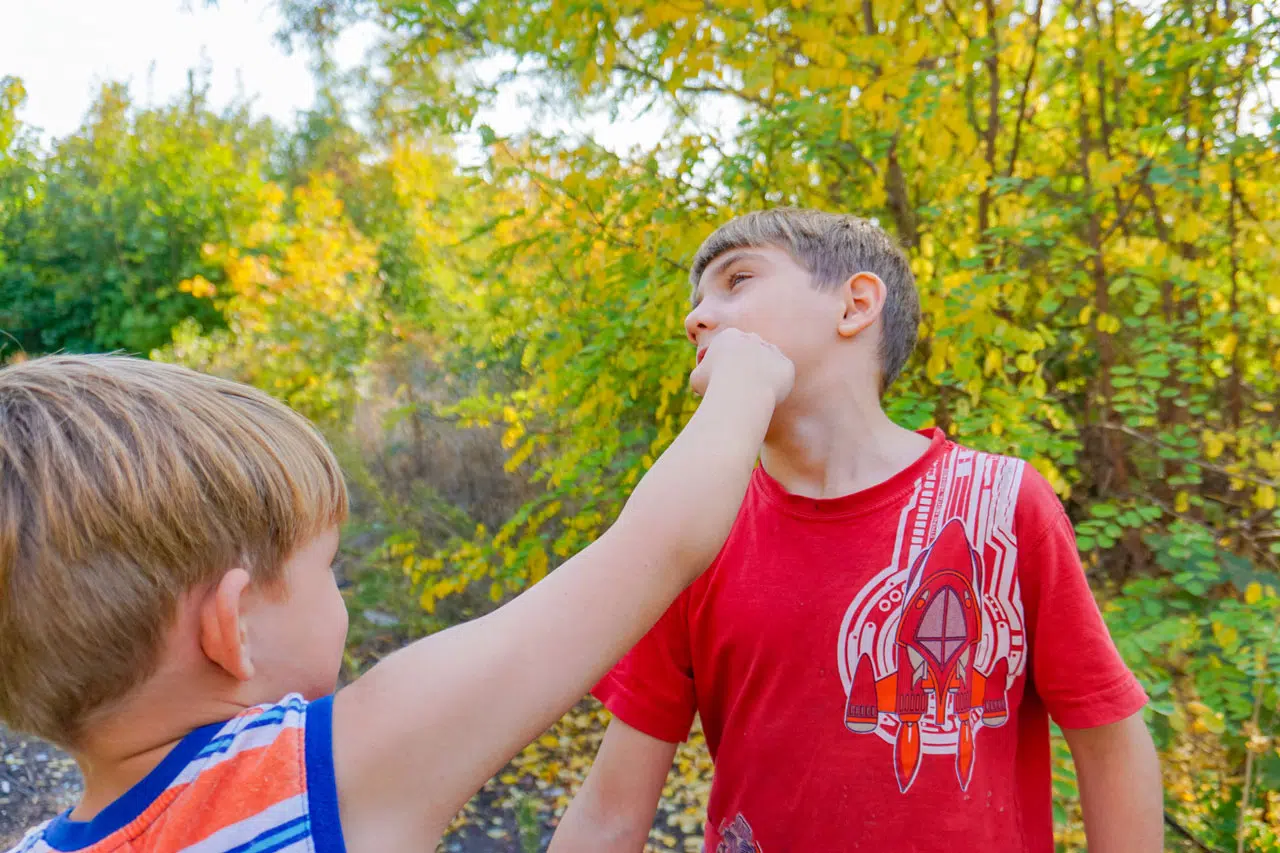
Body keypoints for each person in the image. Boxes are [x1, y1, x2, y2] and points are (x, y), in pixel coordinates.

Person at [0, 328, 794, 853]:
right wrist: (747, 379)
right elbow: (657, 546)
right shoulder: (320, 777)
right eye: (329, 568)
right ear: (233, 625)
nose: (339, 592)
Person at [549, 208, 1164, 853]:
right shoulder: (693, 528)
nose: (695, 318)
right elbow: (610, 814)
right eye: (697, 301)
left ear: (856, 305)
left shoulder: (1004, 506)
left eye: (738, 280)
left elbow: (1110, 740)